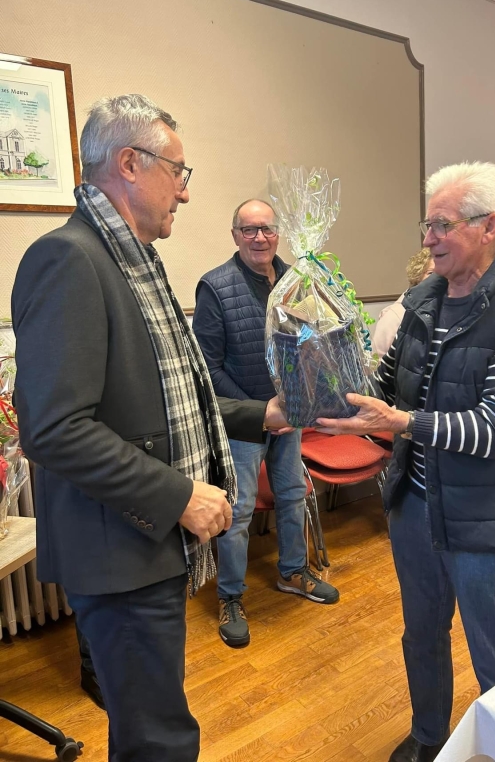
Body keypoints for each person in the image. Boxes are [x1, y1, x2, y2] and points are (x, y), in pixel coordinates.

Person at [11, 95, 288, 762]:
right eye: (178, 172)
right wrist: (178, 495)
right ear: (129, 164)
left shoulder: (137, 259)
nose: (185, 195)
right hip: (120, 552)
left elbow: (173, 405)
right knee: (159, 739)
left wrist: (264, 415)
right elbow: (51, 430)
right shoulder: (69, 259)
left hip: (147, 544)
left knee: (148, 727)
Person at [317, 162, 495, 762]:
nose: (427, 237)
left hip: (489, 519)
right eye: (426, 223)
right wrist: (321, 362)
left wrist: (402, 423)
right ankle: (430, 736)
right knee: (421, 636)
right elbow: (383, 383)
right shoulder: (423, 299)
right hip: (417, 508)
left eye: (441, 224)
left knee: (494, 651)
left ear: (490, 227)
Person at [193, 198, 339, 648]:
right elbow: (208, 367)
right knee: (236, 512)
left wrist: (299, 401)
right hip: (244, 421)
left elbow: (309, 346)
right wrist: (261, 413)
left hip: (291, 414)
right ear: (235, 235)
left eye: (267, 229)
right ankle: (231, 597)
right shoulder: (215, 287)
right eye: (249, 230)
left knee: (293, 494)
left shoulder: (297, 281)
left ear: (278, 234)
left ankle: (293, 572)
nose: (259, 237)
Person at [372, 248, 434, 357]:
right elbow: (376, 362)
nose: (437, 278)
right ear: (418, 276)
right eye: (431, 273)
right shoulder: (395, 315)